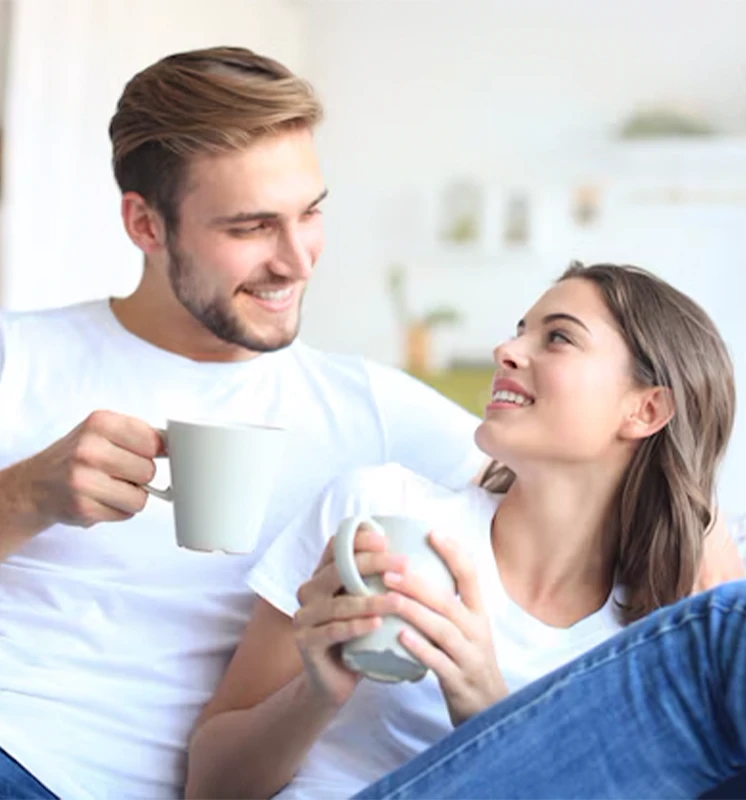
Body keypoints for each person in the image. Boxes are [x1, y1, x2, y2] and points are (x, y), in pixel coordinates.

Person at [0, 47, 488, 799]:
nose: (297, 260)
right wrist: (25, 497)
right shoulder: (17, 358)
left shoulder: (374, 411)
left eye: (311, 213)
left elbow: (607, 487)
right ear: (145, 223)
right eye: (252, 226)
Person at [186, 262, 739, 799]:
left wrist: (490, 716)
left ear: (646, 410)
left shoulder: (650, 637)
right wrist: (315, 692)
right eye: (520, 331)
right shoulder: (381, 511)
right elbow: (208, 789)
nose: (507, 350)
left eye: (559, 339)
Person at [352, 578, 746, 799]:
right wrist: (322, 688)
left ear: (647, 412)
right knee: (733, 635)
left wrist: (493, 715)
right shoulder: (392, 497)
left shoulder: (654, 601)